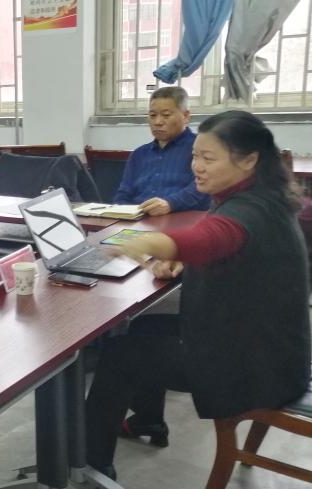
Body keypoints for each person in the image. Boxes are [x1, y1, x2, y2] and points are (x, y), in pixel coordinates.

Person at [85, 111, 311, 480]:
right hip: (275, 353)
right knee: (141, 330)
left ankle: (90, 463)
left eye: (208, 158)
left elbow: (211, 236)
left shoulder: (248, 209)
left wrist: (145, 243)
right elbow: (227, 248)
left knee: (120, 354)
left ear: (248, 160)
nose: (197, 167)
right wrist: (184, 261)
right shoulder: (264, 195)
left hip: (253, 370)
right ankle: (148, 421)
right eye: (195, 156)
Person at [113, 87, 210, 215]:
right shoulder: (139, 154)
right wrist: (120, 213)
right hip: (137, 219)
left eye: (166, 115)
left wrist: (171, 204)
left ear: (185, 116)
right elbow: (123, 194)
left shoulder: (200, 149)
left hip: (181, 219)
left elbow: (203, 190)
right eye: (152, 115)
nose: (158, 122)